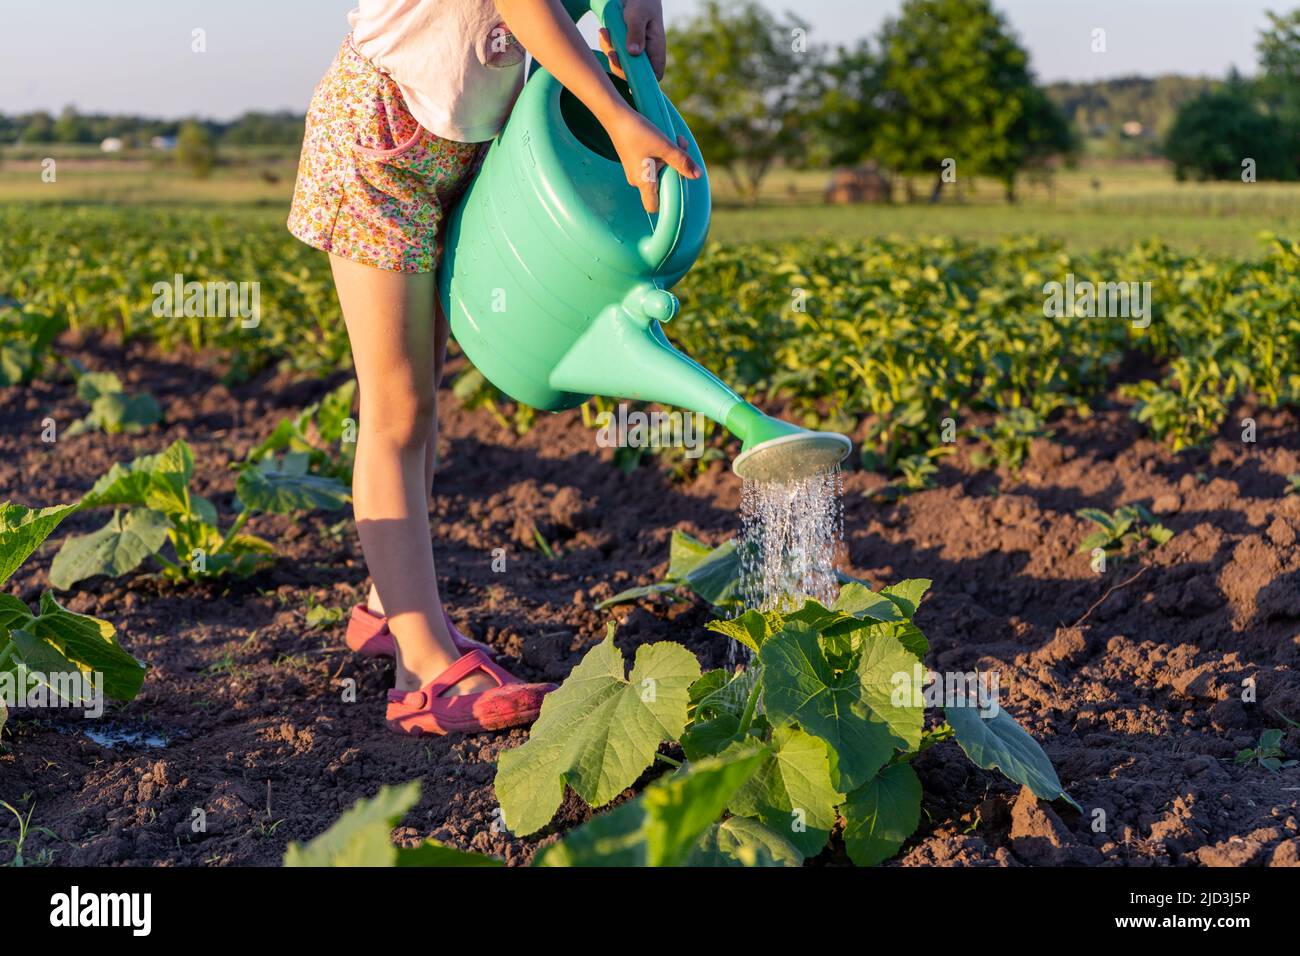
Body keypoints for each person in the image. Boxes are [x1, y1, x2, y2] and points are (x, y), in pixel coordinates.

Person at [287, 0, 699, 735]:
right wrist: (609, 111)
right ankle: (421, 673)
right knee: (396, 409)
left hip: (467, 143)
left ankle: (389, 608)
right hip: (379, 129)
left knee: (422, 398)